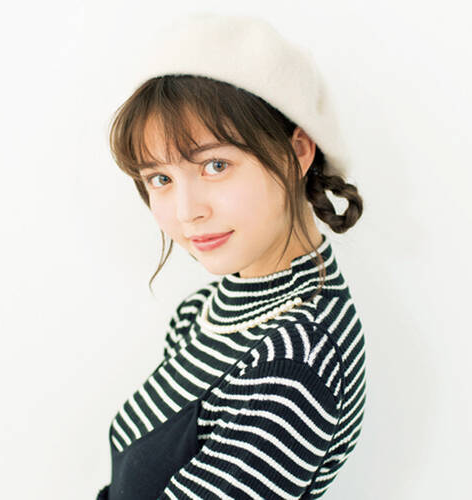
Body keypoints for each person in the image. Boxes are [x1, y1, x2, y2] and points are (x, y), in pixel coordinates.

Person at [97, 12, 367, 500]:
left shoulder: (296, 358)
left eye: (216, 165)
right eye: (161, 178)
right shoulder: (202, 312)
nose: (187, 211)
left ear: (298, 151)